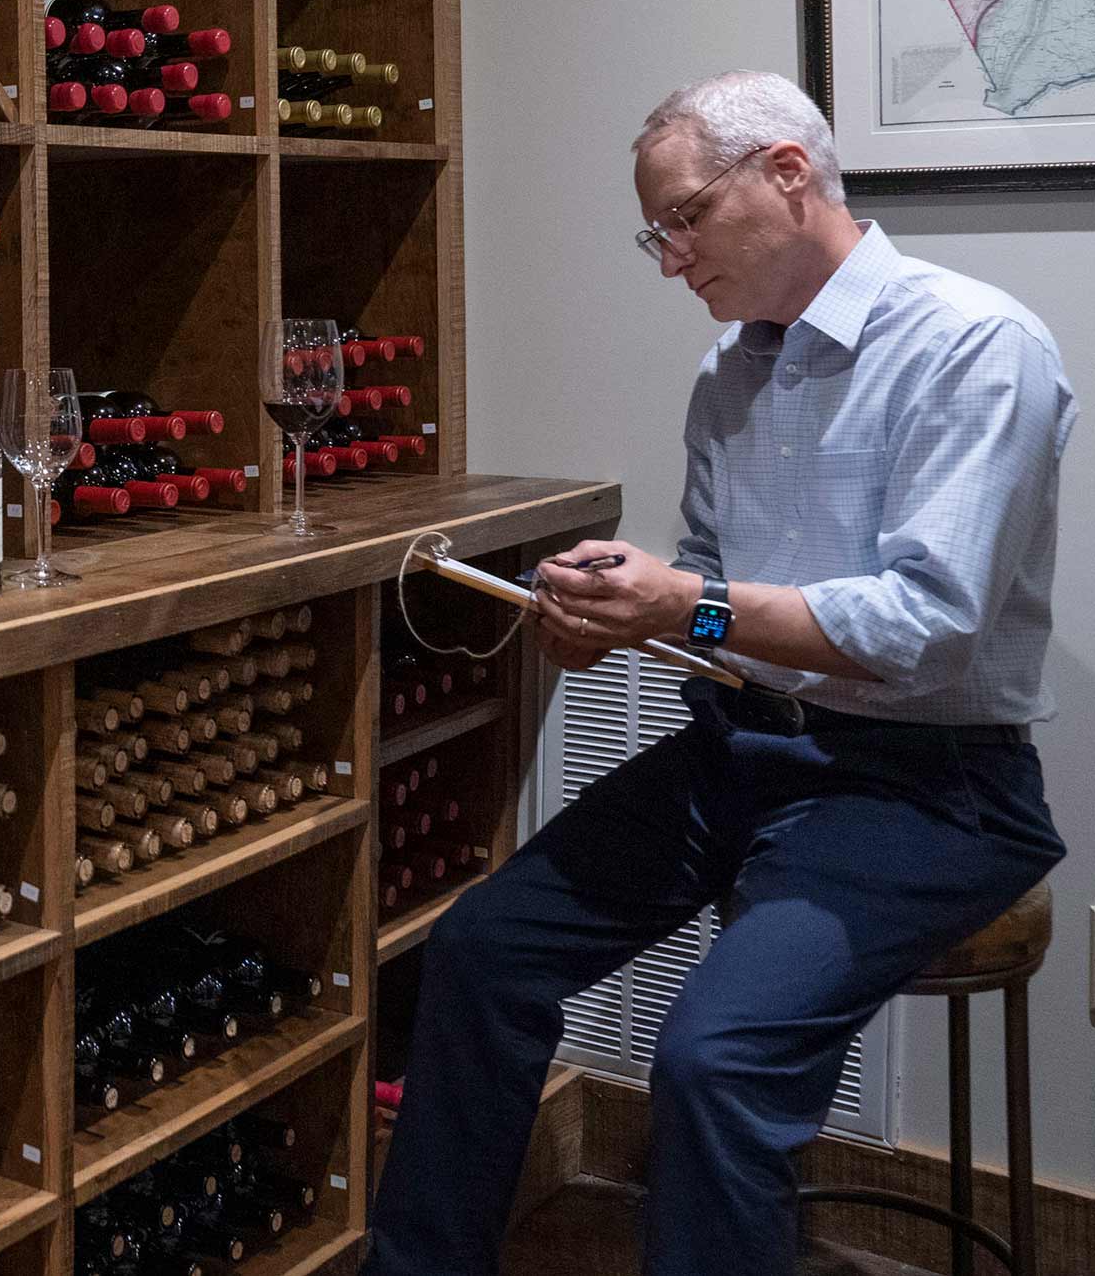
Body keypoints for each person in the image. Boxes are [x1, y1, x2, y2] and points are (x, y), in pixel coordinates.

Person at [362, 71, 1071, 1276]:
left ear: (786, 173)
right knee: (479, 949)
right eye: (656, 230)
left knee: (713, 1055)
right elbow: (709, 583)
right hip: (742, 747)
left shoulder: (973, 344)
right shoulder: (728, 374)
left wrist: (682, 602)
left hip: (928, 784)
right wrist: (616, 622)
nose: (667, 258)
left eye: (682, 218)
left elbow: (928, 625)